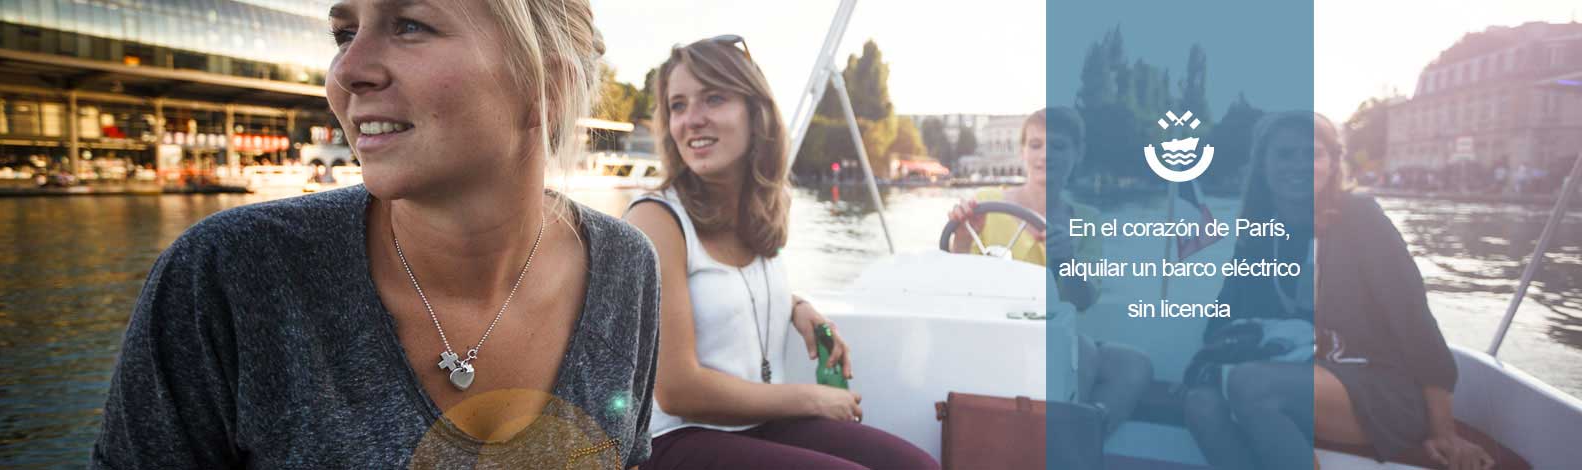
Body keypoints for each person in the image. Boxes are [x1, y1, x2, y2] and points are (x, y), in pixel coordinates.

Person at [90, 0, 659, 468]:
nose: (346, 70)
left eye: (410, 25)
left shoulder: (625, 266)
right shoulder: (228, 273)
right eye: (344, 33)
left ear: (547, 87)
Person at [623, 35, 937, 470]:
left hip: (756, 422)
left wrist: (796, 305)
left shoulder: (760, 207)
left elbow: (725, 283)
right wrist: (811, 399)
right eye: (678, 105)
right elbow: (677, 390)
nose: (691, 119)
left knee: (916, 466)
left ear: (757, 113)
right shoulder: (656, 219)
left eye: (713, 98)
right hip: (677, 437)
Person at [1182, 112, 1494, 470]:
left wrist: (1444, 431)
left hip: (1379, 384)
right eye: (1284, 154)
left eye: (1312, 154)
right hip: (1295, 373)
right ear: (1263, 165)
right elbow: (1225, 316)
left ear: (1331, 164)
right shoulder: (1258, 234)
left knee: (1252, 385)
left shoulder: (1361, 218)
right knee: (1200, 406)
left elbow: (1416, 324)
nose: (1299, 164)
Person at [948, 107, 1152, 439]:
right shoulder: (984, 204)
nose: (1045, 155)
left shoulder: (1086, 218)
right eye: (1036, 144)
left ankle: (1086, 431)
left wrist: (1066, 260)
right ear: (1022, 151)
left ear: (1078, 153)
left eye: (1058, 147)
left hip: (1055, 333)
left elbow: (1083, 301)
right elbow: (955, 283)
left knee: (1134, 364)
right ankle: (1067, 442)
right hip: (994, 333)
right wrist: (960, 237)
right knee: (1080, 349)